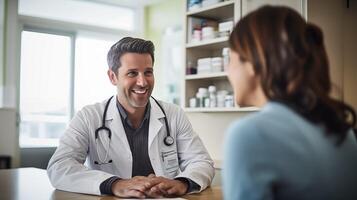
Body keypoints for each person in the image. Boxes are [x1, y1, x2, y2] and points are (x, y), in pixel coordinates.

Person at [47, 37, 214, 198]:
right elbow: (59, 167)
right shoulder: (89, 117)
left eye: (148, 72)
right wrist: (114, 184)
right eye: (132, 73)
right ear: (113, 77)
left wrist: (182, 183)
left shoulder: (173, 114)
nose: (142, 82)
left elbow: (201, 162)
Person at [223, 5, 357, 200]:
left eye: (230, 59)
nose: (227, 70)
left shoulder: (250, 133)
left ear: (252, 62)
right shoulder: (343, 130)